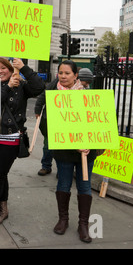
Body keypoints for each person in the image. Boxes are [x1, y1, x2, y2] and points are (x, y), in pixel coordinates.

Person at [0, 58, 44, 232]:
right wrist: (7, 86)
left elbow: (39, 87)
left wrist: (23, 68)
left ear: (10, 69)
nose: (0, 71)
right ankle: (4, 208)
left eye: (3, 68)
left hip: (10, 139)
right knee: (1, 175)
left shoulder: (22, 86)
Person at [38, 60, 98, 243]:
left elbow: (99, 124)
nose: (63, 76)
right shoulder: (53, 96)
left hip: (85, 152)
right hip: (63, 152)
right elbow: (45, 127)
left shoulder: (90, 96)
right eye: (60, 73)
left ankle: (83, 224)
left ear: (75, 75)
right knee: (63, 184)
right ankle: (63, 220)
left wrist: (91, 144)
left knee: (84, 186)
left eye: (67, 73)